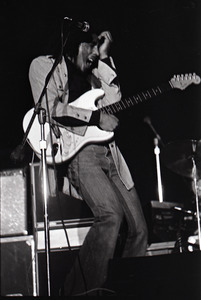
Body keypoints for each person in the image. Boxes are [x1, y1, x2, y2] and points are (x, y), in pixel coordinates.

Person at [29, 22, 148, 296]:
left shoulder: (94, 71)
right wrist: (95, 118)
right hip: (81, 155)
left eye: (97, 47)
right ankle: (80, 292)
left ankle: (123, 289)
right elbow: (48, 106)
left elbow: (115, 98)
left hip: (111, 153)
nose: (94, 52)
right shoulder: (45, 66)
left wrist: (105, 57)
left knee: (140, 229)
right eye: (91, 46)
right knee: (110, 216)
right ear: (74, 44)